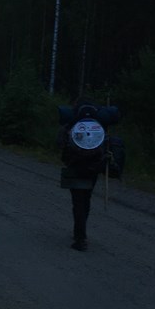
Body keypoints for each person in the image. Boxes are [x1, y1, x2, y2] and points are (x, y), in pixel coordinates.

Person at [57, 97, 104, 251]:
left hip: (74, 166)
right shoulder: (99, 126)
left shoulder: (70, 125)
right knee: (86, 199)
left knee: (77, 202)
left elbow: (60, 144)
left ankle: (80, 238)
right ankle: (80, 233)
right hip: (93, 167)